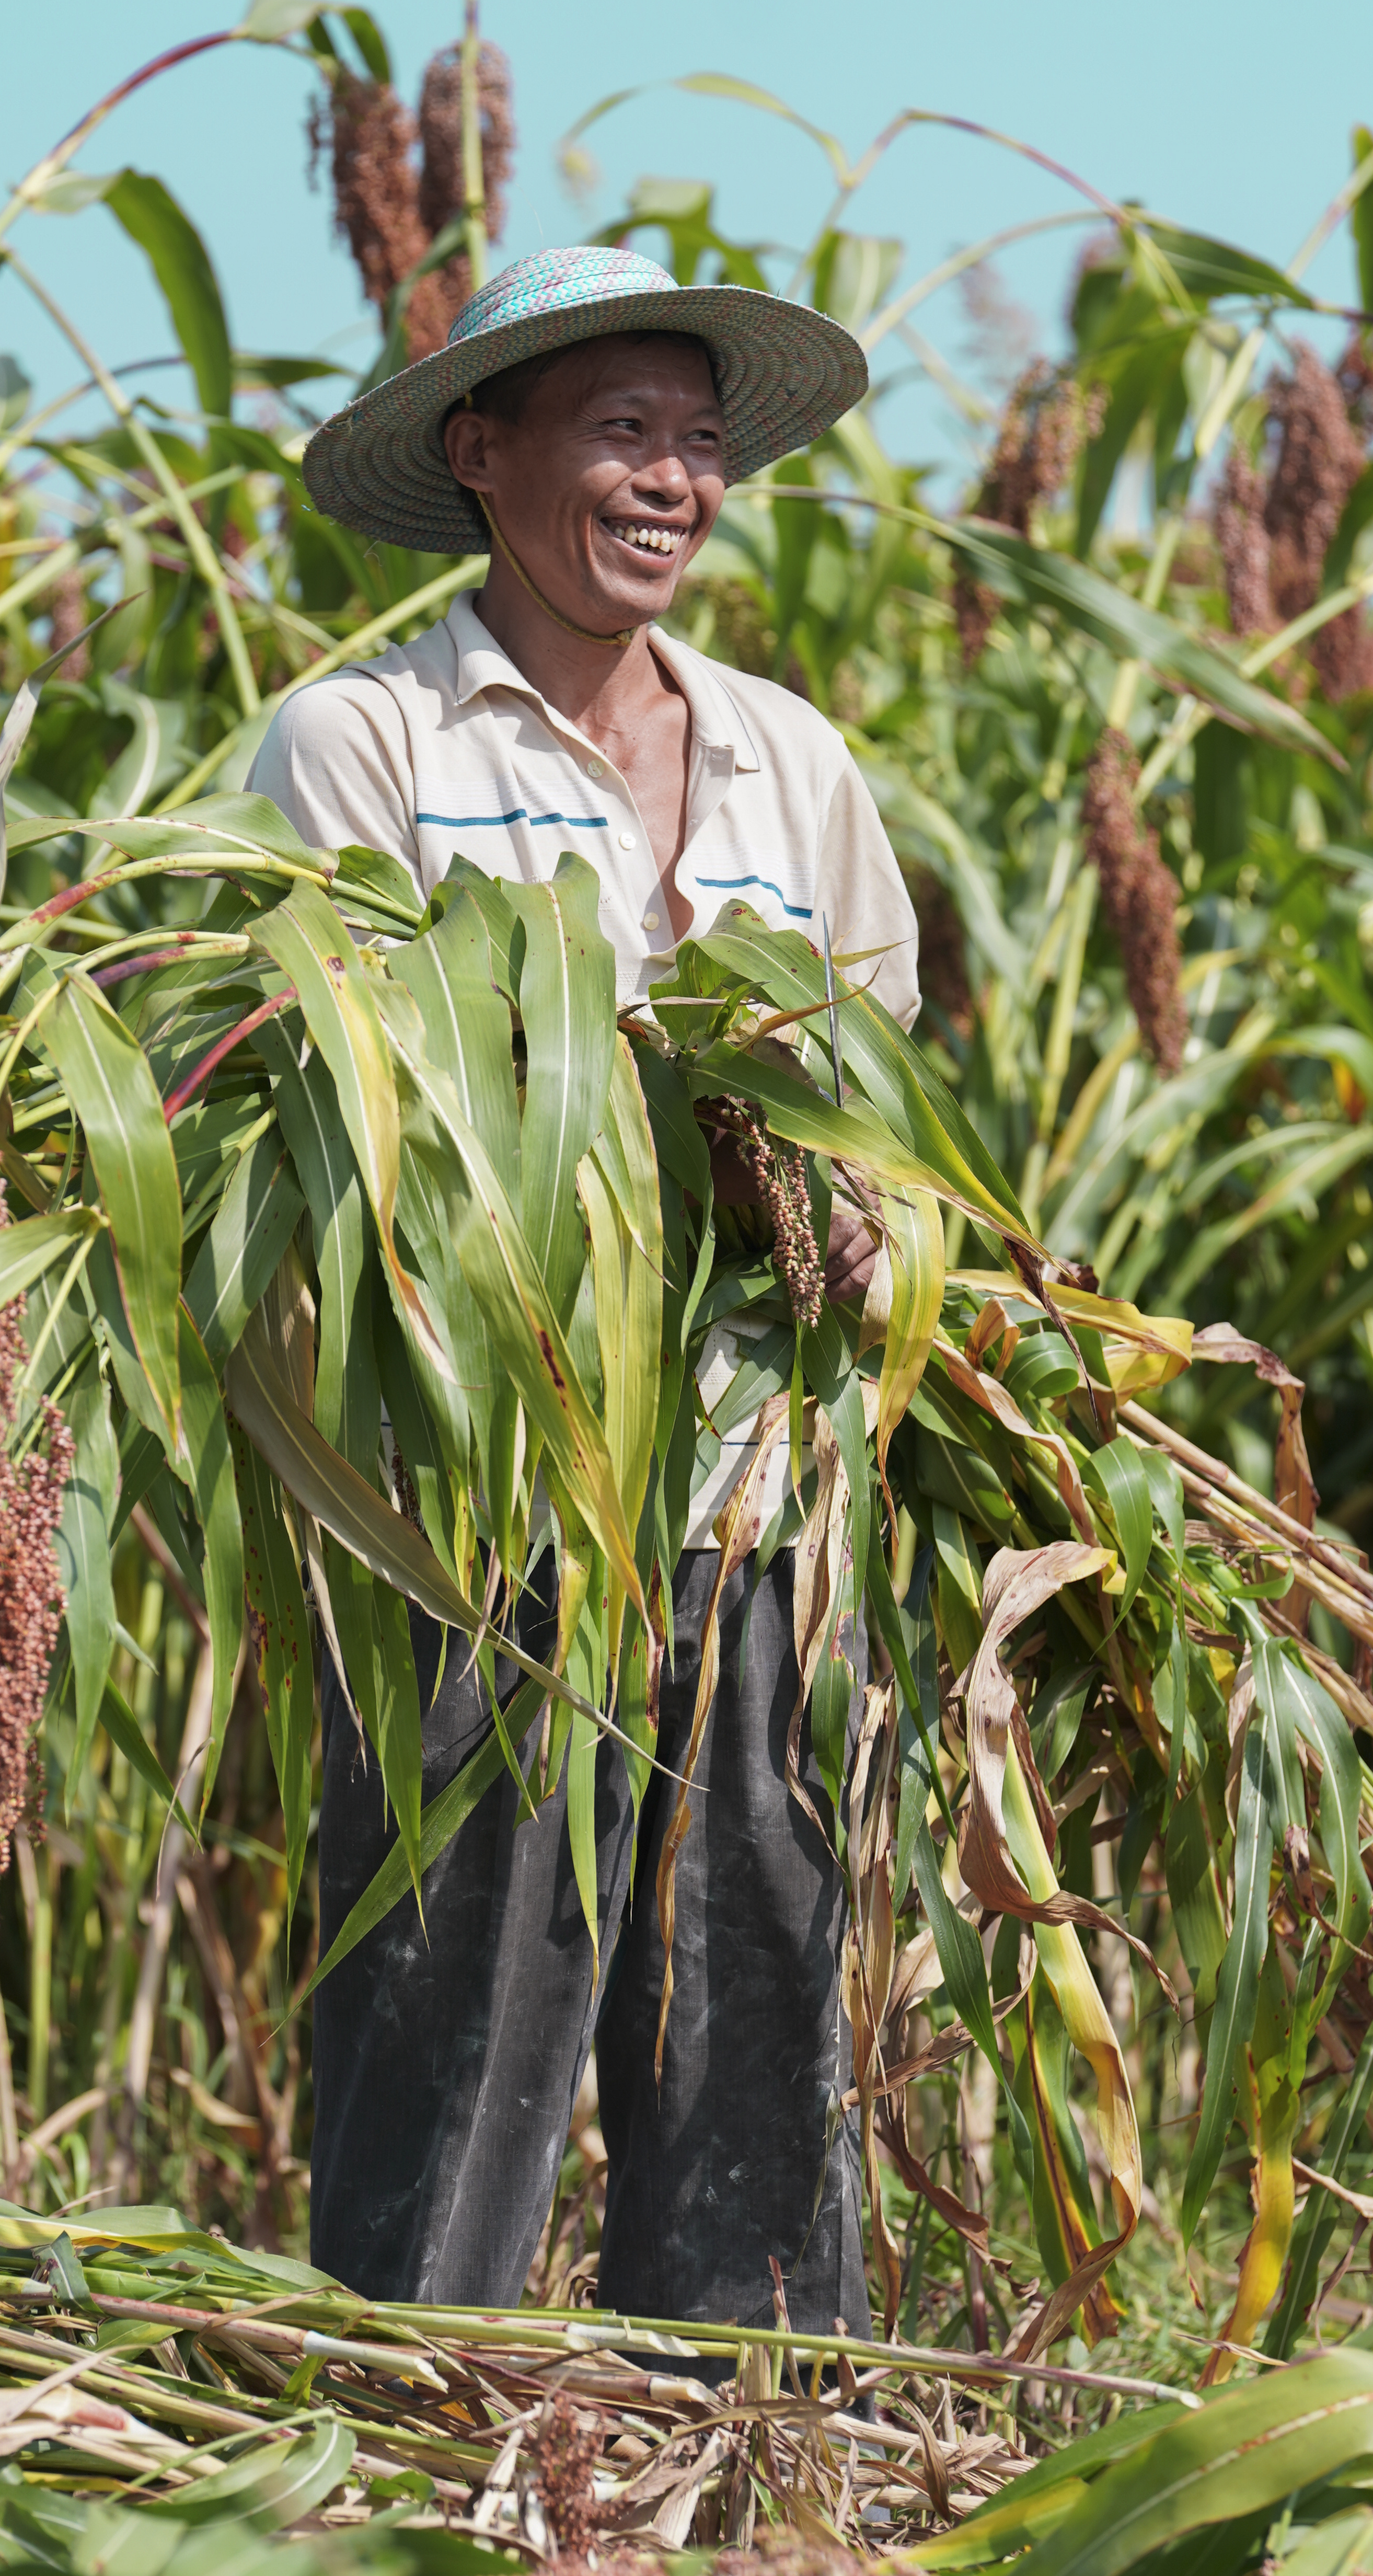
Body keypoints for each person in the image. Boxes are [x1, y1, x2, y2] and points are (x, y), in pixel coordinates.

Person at [251, 244, 919, 2343]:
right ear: (483, 450)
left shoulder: (787, 762)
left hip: (746, 1494)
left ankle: (758, 2475)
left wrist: (843, 1212)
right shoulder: (362, 745)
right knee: (456, 2023)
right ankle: (393, 2457)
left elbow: (878, 1112)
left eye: (700, 442)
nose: (671, 480)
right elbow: (348, 1120)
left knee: (749, 2021)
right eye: (621, 430)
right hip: (471, 1516)